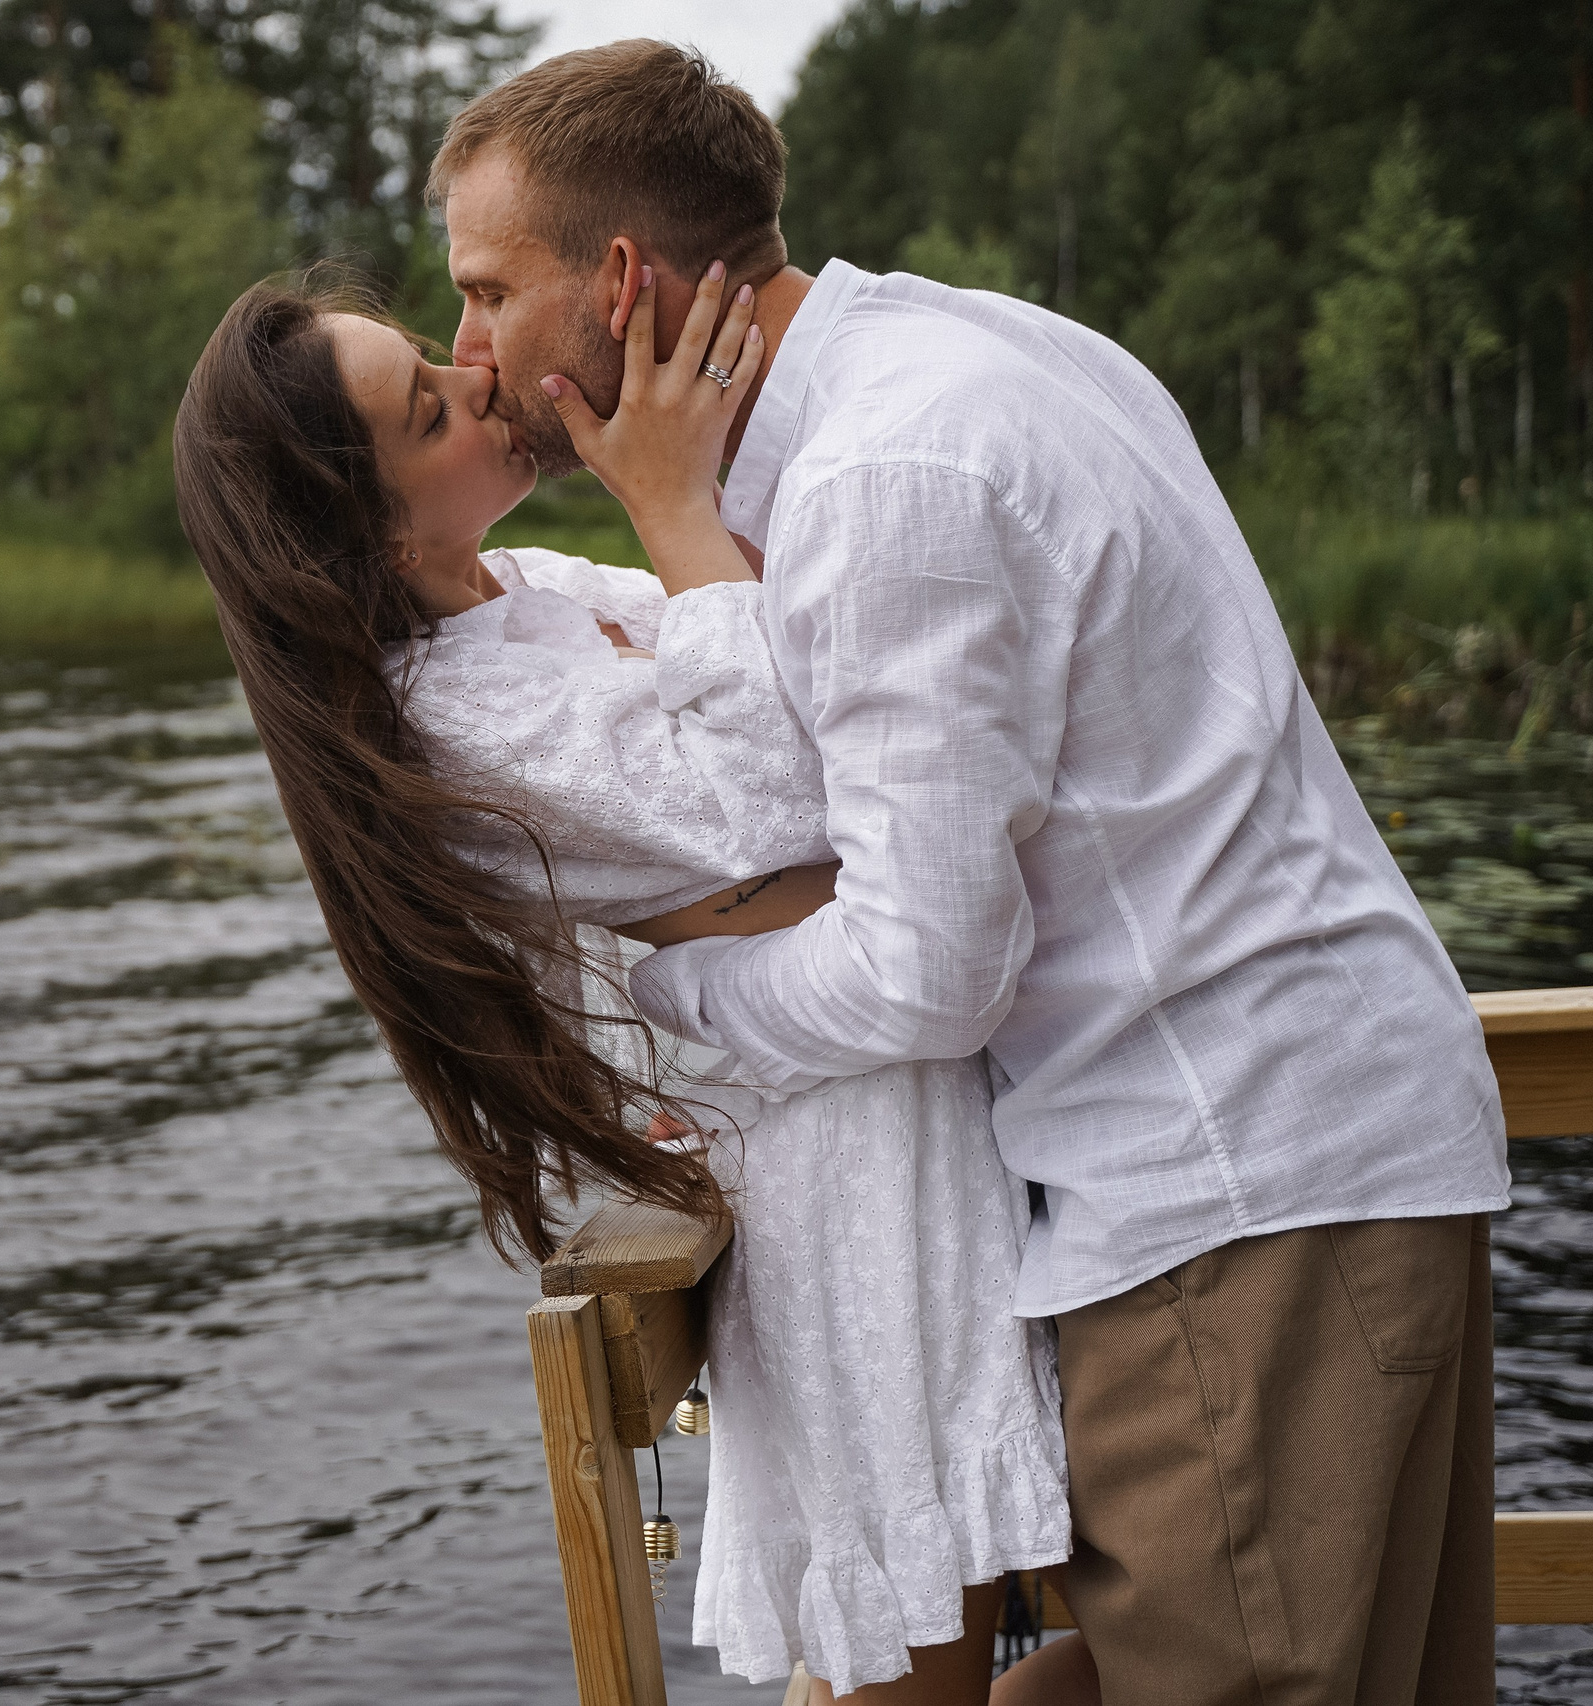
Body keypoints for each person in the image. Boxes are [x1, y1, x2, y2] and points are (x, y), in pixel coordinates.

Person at [427, 38, 1511, 1706]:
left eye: (490, 288)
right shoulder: (974, 343)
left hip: (1227, 1202)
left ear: (621, 280)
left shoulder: (883, 483)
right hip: (1328, 1151)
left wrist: (662, 987)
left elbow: (928, 972)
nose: (472, 344)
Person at [172, 266, 1072, 1701]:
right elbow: (784, 785)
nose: (476, 375)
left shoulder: (523, 593)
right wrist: (671, 500)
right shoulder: (448, 721)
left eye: (429, 351)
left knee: (1013, 1613)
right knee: (923, 1638)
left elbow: (808, 703)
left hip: (895, 1084)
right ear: (372, 531)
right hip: (846, 1163)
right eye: (428, 409)